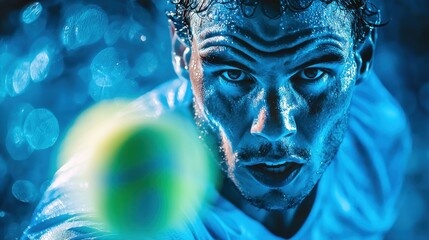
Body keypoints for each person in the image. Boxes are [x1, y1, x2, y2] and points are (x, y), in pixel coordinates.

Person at [23, 0, 411, 239]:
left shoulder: (375, 137)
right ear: (180, 51)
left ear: (361, 61)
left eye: (310, 75)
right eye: (234, 75)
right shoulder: (101, 212)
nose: (274, 127)